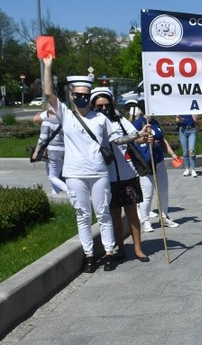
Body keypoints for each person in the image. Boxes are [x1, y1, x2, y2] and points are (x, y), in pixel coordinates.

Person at [41, 56, 145, 272]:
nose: (81, 98)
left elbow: (117, 139)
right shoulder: (66, 115)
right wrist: (48, 65)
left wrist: (137, 136)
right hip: (74, 174)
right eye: (77, 95)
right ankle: (89, 254)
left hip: (98, 173)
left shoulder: (100, 118)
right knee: (82, 215)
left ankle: (108, 252)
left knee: (103, 213)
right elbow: (49, 93)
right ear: (71, 95)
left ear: (90, 96)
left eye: (85, 96)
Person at [90, 87, 151, 264]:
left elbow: (134, 137)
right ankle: (121, 248)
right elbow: (117, 140)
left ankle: (138, 248)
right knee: (114, 214)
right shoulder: (93, 123)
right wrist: (136, 136)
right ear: (93, 106)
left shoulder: (121, 120)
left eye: (106, 105)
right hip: (106, 177)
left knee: (132, 211)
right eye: (99, 105)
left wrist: (144, 137)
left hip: (127, 173)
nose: (103, 108)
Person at [131, 100, 180, 232]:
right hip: (146, 163)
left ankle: (164, 216)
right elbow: (133, 140)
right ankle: (145, 220)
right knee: (147, 194)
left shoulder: (155, 123)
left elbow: (162, 139)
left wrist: (172, 153)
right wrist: (144, 138)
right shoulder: (137, 123)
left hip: (159, 161)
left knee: (163, 191)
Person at [34, 109, 67, 195]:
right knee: (55, 176)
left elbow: (43, 139)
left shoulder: (47, 121)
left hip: (52, 151)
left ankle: (70, 191)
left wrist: (36, 151)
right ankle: (55, 196)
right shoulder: (64, 121)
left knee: (51, 176)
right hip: (63, 151)